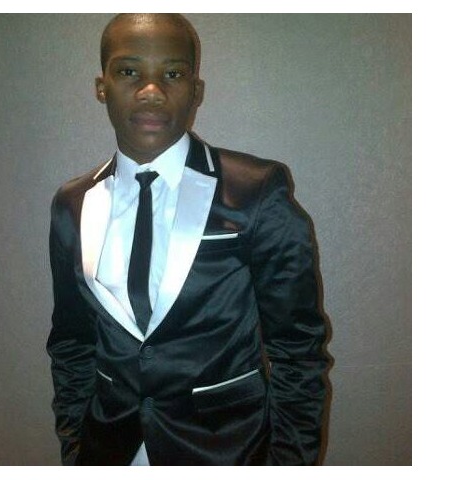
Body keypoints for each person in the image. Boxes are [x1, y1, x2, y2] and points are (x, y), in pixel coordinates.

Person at [47, 13, 329, 466]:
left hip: (226, 450)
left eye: (173, 74)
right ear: (102, 87)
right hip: (109, 449)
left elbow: (298, 351)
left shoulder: (256, 193)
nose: (151, 90)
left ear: (196, 90)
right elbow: (72, 343)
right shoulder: (72, 204)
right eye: (129, 71)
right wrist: (75, 447)